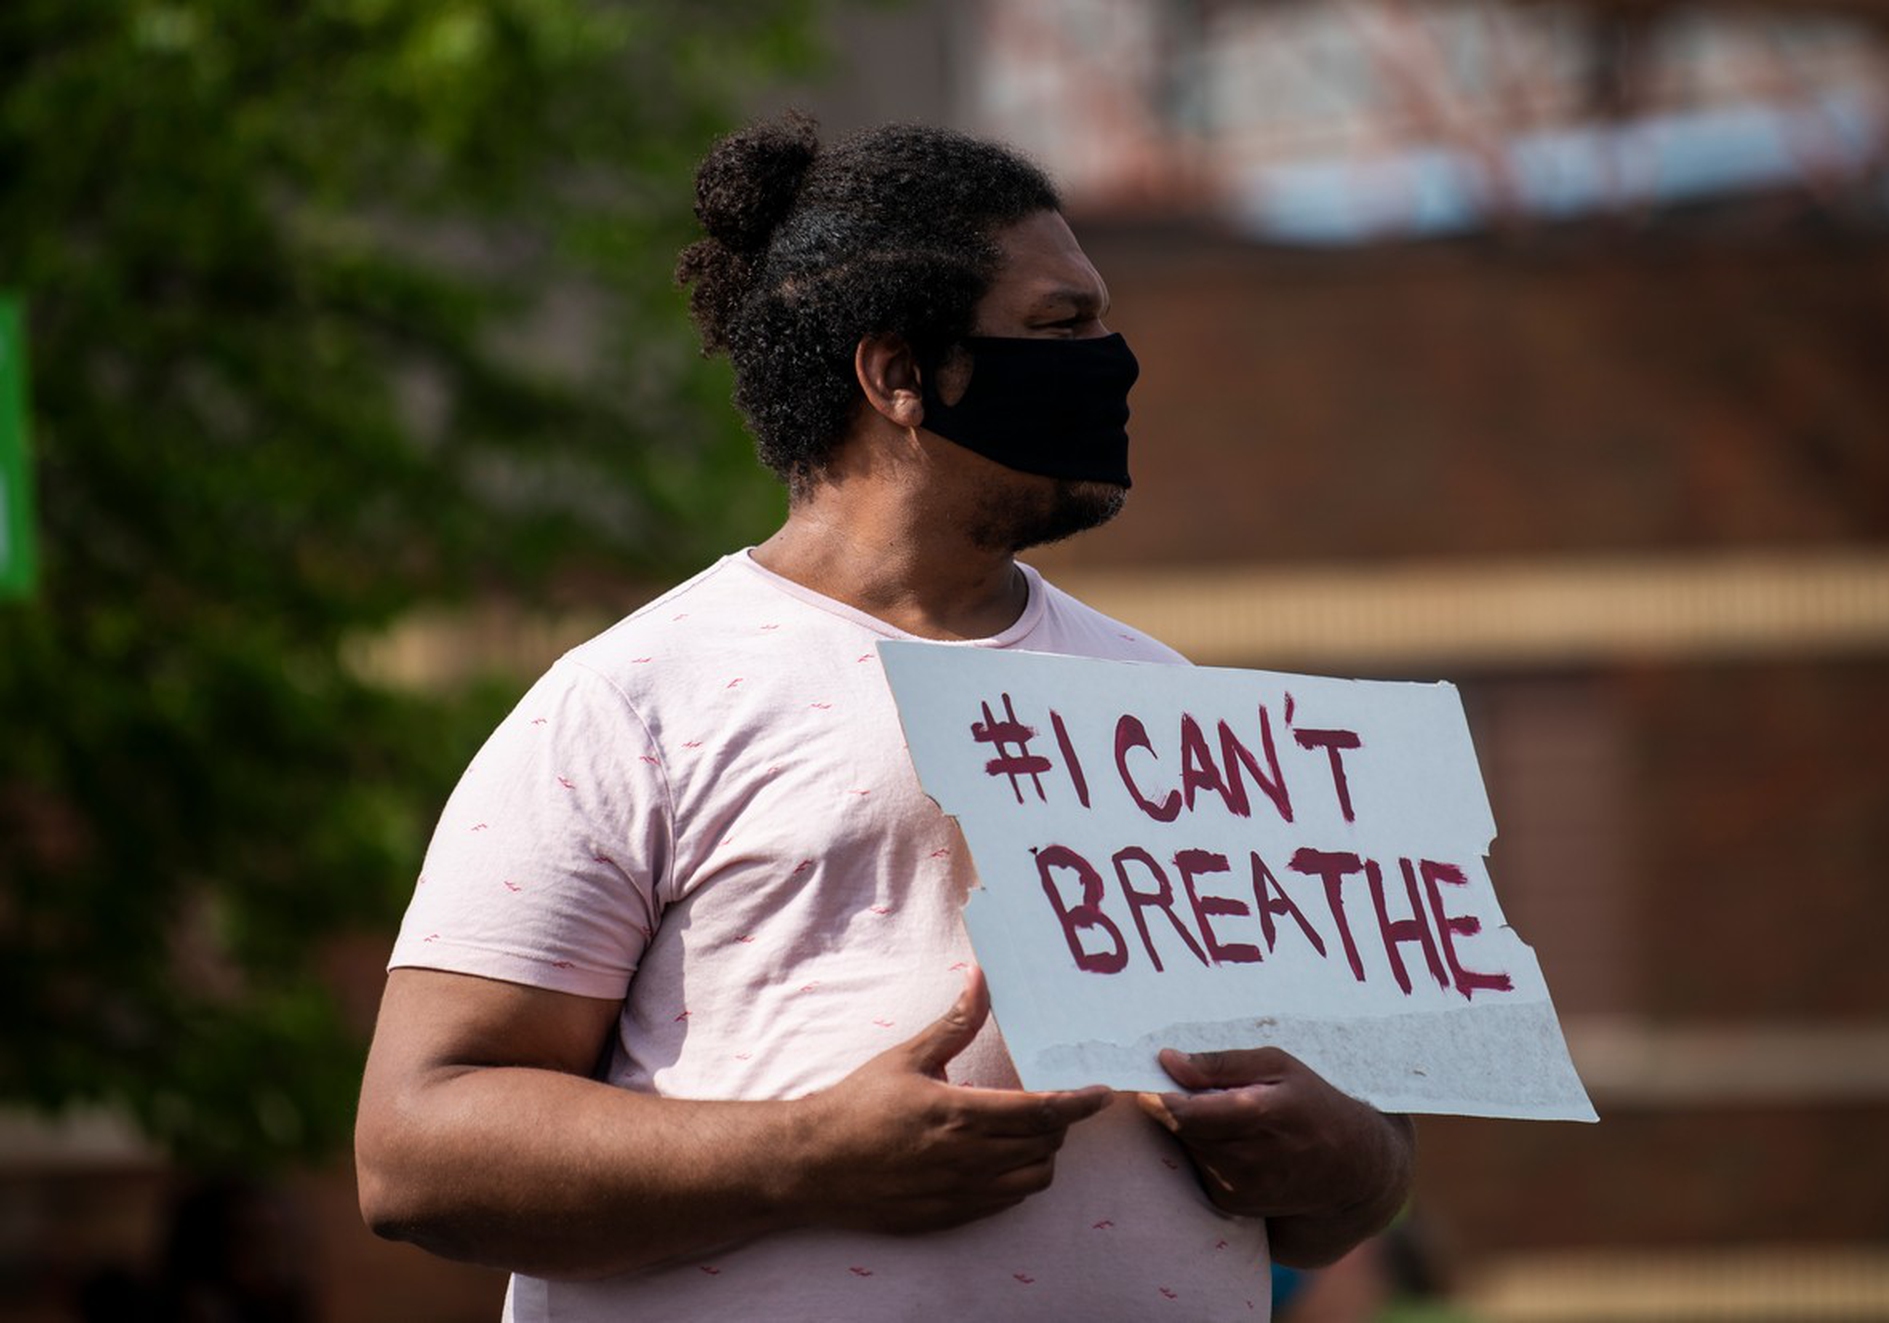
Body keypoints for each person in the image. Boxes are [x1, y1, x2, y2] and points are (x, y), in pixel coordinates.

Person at [355, 113, 1414, 1320]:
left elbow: (1358, 1168)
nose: (1113, 363)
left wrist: (1349, 1158)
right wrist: (804, 1155)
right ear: (900, 374)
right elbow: (413, 1149)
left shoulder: (1171, 712)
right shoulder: (636, 701)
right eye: (1061, 327)